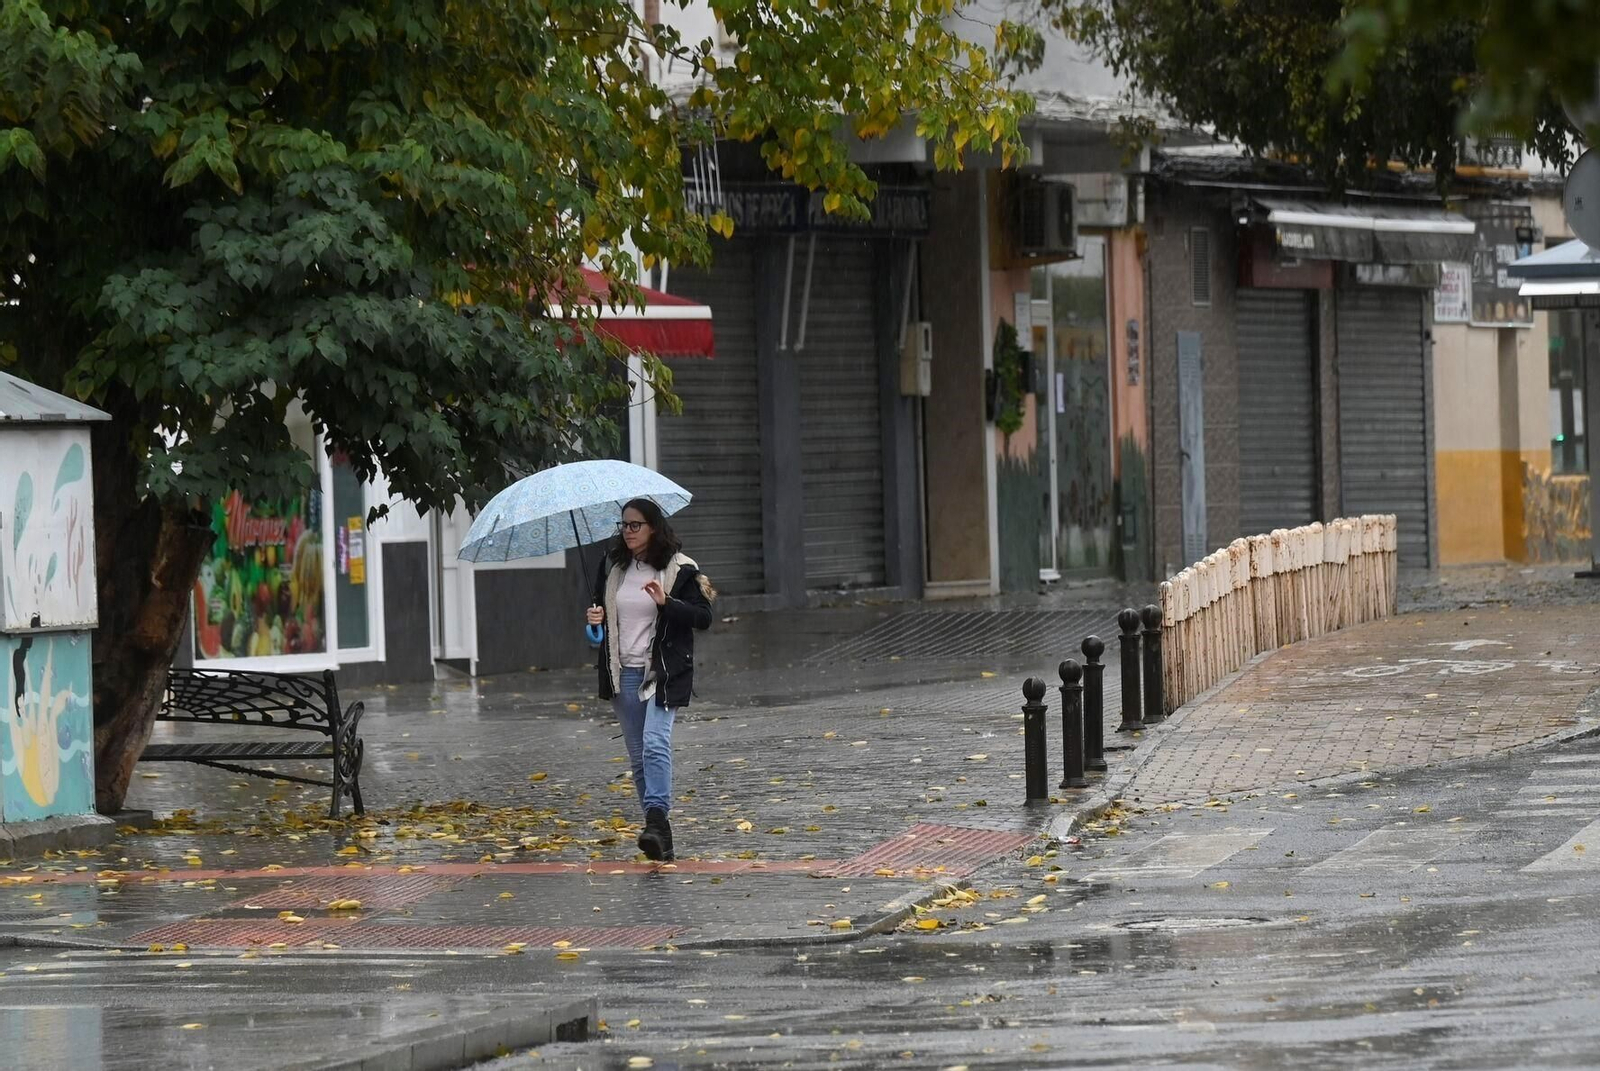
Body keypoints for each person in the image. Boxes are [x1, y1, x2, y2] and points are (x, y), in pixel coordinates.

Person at [586, 498, 714, 861]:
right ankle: (659, 833)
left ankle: (656, 821)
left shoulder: (681, 568)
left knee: (655, 743)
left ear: (653, 527)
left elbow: (703, 617)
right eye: (623, 525)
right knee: (640, 757)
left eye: (635, 525)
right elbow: (601, 628)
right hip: (622, 672)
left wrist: (666, 603)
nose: (627, 532)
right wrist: (594, 622)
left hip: (659, 670)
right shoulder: (612, 566)